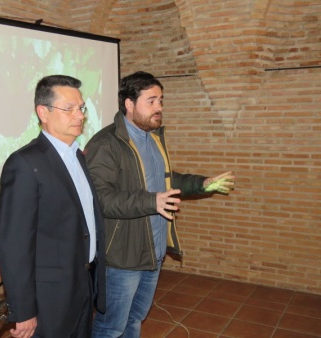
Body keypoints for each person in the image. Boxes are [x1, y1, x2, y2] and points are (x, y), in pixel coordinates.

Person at [84, 71, 235, 338]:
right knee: (111, 328)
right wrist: (150, 201)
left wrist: (202, 183)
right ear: (129, 105)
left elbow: (165, 179)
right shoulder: (106, 144)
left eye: (161, 101)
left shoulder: (152, 140)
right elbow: (101, 199)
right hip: (122, 257)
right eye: (151, 101)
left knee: (135, 320)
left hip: (153, 252)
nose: (159, 108)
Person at [0, 75, 106, 338]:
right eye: (68, 108)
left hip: (82, 283)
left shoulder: (77, 156)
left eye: (81, 108)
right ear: (43, 112)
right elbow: (14, 245)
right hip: (49, 296)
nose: (79, 115)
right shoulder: (24, 163)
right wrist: (23, 310)